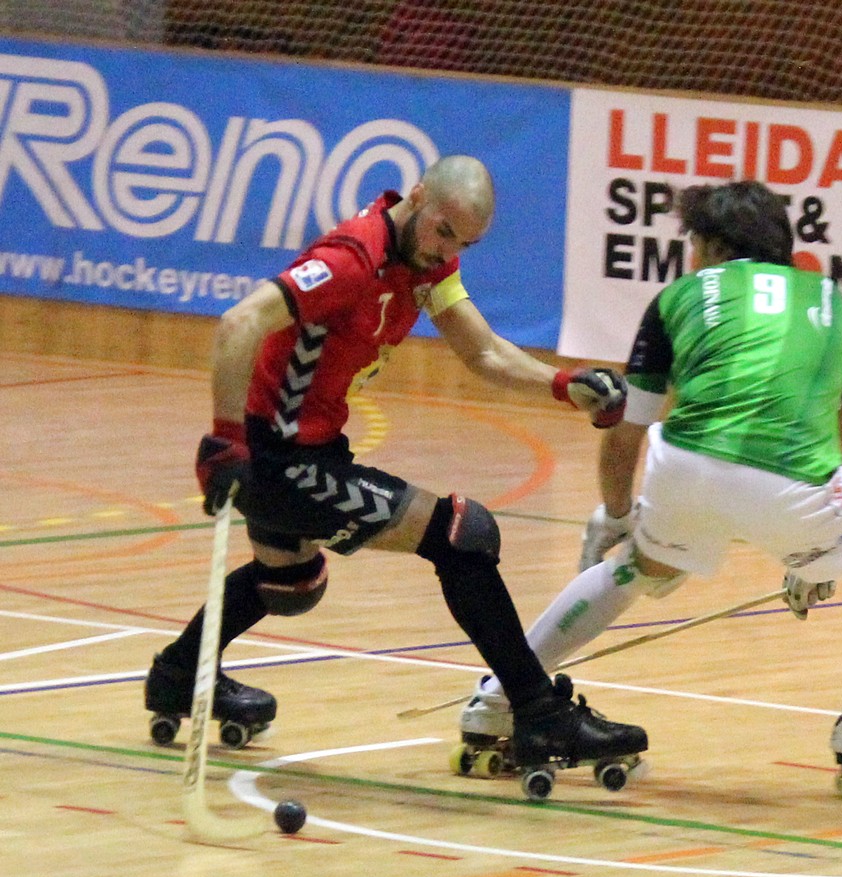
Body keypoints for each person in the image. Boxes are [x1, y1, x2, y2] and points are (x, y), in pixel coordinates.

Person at [458, 179, 842, 798]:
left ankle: (501, 698)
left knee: (636, 568)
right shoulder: (830, 301)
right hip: (793, 490)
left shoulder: (677, 297)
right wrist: (822, 555)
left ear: (714, 245)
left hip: (682, 471)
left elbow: (626, 431)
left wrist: (618, 516)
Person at [147, 155, 650, 778]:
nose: (448, 252)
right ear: (417, 197)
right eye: (444, 232)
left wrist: (563, 384)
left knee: (293, 583)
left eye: (463, 244)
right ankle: (539, 712)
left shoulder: (425, 265)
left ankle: (177, 675)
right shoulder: (351, 260)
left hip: (312, 449)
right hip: (280, 458)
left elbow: (484, 352)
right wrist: (225, 443)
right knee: (462, 535)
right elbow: (239, 322)